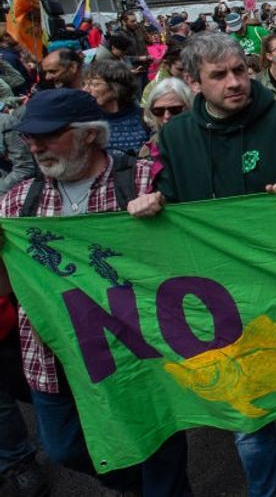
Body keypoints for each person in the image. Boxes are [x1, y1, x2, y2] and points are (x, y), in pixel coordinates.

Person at [138, 32, 276, 497]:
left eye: (240, 70)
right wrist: (154, 202)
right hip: (221, 295)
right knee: (246, 407)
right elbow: (173, 199)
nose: (234, 82)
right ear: (194, 82)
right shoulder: (175, 137)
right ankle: (268, 490)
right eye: (219, 75)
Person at [0, 89, 191, 495]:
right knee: (63, 446)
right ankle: (137, 483)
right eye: (29, 137)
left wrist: (162, 217)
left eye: (48, 135)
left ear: (89, 134)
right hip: (55, 353)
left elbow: (189, 260)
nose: (34, 145)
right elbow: (8, 285)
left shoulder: (141, 179)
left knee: (159, 442)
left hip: (138, 348)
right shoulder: (18, 202)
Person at [82, 58, 150, 156]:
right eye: (84, 84)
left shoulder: (143, 117)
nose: (86, 90)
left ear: (116, 87)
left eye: (95, 84)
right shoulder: (87, 120)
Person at [138, 77, 193, 164]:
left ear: (189, 107)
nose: (167, 116)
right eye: (158, 111)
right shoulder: (147, 150)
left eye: (175, 110)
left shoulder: (203, 143)